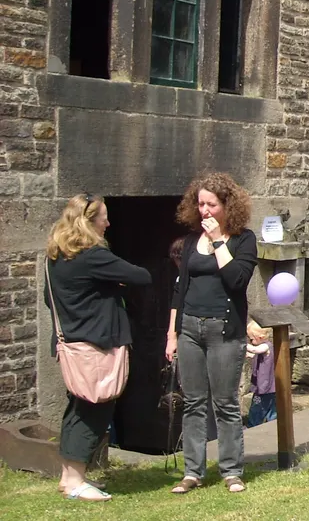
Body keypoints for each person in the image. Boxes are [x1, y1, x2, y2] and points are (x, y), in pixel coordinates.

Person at [45, 194, 152, 501]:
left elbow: (48, 298)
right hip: (96, 345)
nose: (108, 222)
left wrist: (101, 287)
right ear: (88, 222)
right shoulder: (92, 255)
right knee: (95, 409)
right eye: (103, 217)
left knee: (77, 407)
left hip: (72, 346)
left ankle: (68, 477)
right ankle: (77, 481)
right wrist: (110, 285)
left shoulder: (56, 256)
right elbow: (140, 276)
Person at [167, 173, 260, 495]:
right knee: (193, 403)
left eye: (211, 204)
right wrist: (172, 333)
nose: (204, 210)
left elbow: (236, 280)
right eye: (200, 203)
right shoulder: (192, 240)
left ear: (227, 206)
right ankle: (192, 472)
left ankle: (231, 471)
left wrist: (219, 240)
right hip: (190, 327)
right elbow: (180, 289)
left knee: (225, 403)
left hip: (224, 330)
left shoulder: (242, 239)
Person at [245, 327, 277, 428]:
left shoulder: (266, 346)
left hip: (264, 385)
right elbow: (256, 354)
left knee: (257, 406)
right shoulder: (265, 347)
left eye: (251, 339)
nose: (250, 341)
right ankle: (272, 424)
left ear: (260, 337)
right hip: (270, 386)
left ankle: (252, 425)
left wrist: (241, 343)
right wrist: (250, 355)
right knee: (271, 406)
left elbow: (255, 350)